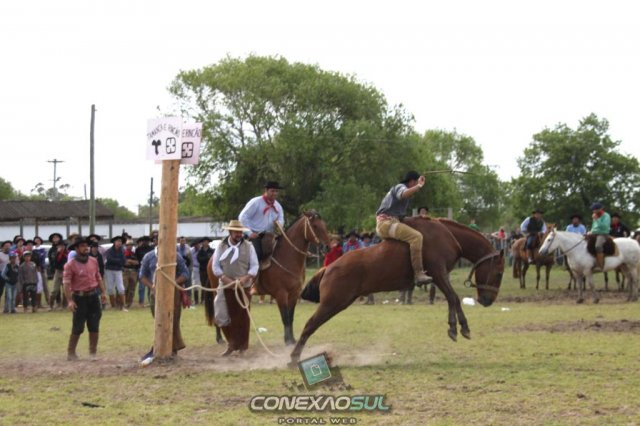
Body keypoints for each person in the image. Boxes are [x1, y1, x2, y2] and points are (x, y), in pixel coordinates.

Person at [212, 220, 259, 356]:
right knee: (220, 315)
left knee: (242, 316)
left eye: (240, 232)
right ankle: (231, 343)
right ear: (230, 232)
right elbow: (215, 267)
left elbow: (254, 266)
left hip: (243, 286)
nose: (239, 234)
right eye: (236, 232)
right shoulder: (221, 246)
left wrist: (245, 278)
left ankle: (242, 347)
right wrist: (226, 279)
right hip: (225, 284)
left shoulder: (249, 247)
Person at [375, 170, 430, 285]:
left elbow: (400, 217)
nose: (416, 186)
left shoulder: (399, 192)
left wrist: (417, 218)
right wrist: (419, 186)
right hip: (386, 224)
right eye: (416, 183)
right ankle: (418, 274)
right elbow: (403, 194)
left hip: (387, 223)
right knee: (416, 237)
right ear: (412, 181)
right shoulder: (400, 187)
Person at [138, 244, 190, 358]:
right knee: (159, 321)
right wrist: (152, 287)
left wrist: (172, 283)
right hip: (155, 293)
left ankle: (173, 349)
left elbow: (185, 274)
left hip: (174, 293)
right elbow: (142, 275)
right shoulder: (149, 257)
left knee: (173, 321)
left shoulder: (176, 256)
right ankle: (159, 347)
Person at [62, 237, 107, 361]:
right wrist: (70, 301)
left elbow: (98, 277)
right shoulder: (70, 265)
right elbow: (66, 284)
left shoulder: (93, 261)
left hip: (93, 296)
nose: (86, 248)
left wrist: (103, 292)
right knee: (78, 326)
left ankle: (93, 353)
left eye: (86, 245)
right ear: (76, 249)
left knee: (94, 325)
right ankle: (71, 353)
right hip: (79, 298)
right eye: (82, 246)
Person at [238, 181, 285, 269]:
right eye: (272, 191)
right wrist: (249, 233)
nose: (275, 193)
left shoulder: (278, 206)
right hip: (256, 235)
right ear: (266, 190)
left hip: (270, 236)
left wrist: (279, 226)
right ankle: (252, 275)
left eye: (276, 191)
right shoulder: (256, 202)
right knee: (256, 253)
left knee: (282, 251)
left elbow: (281, 219)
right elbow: (242, 217)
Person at [104, 235, 127, 311]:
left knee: (121, 288)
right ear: (114, 242)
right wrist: (118, 261)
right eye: (118, 241)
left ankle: (123, 306)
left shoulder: (122, 251)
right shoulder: (109, 250)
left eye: (120, 241)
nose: (119, 243)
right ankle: (113, 306)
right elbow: (109, 259)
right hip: (109, 270)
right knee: (110, 288)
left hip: (118, 270)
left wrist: (116, 261)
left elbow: (123, 261)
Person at [589, 202, 611, 271]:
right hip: (594, 233)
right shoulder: (595, 215)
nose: (593, 211)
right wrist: (590, 231)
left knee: (598, 246)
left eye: (595, 209)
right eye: (593, 209)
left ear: (600, 209)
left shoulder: (606, 216)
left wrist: (597, 219)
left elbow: (605, 226)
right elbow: (594, 226)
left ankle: (600, 265)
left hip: (603, 234)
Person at [135, 236, 153, 307]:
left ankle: (151, 301)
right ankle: (141, 302)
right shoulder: (138, 249)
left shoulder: (151, 249)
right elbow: (136, 259)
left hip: (150, 269)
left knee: (150, 286)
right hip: (141, 268)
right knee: (141, 287)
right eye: (144, 241)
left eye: (147, 241)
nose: (145, 242)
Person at [122, 239, 139, 309]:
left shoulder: (133, 254)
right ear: (126, 246)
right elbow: (123, 262)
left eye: (131, 245)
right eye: (128, 245)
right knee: (124, 287)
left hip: (133, 272)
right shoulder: (123, 253)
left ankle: (129, 303)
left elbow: (137, 262)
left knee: (132, 289)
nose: (130, 246)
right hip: (125, 271)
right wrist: (131, 262)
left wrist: (130, 261)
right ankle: (122, 302)